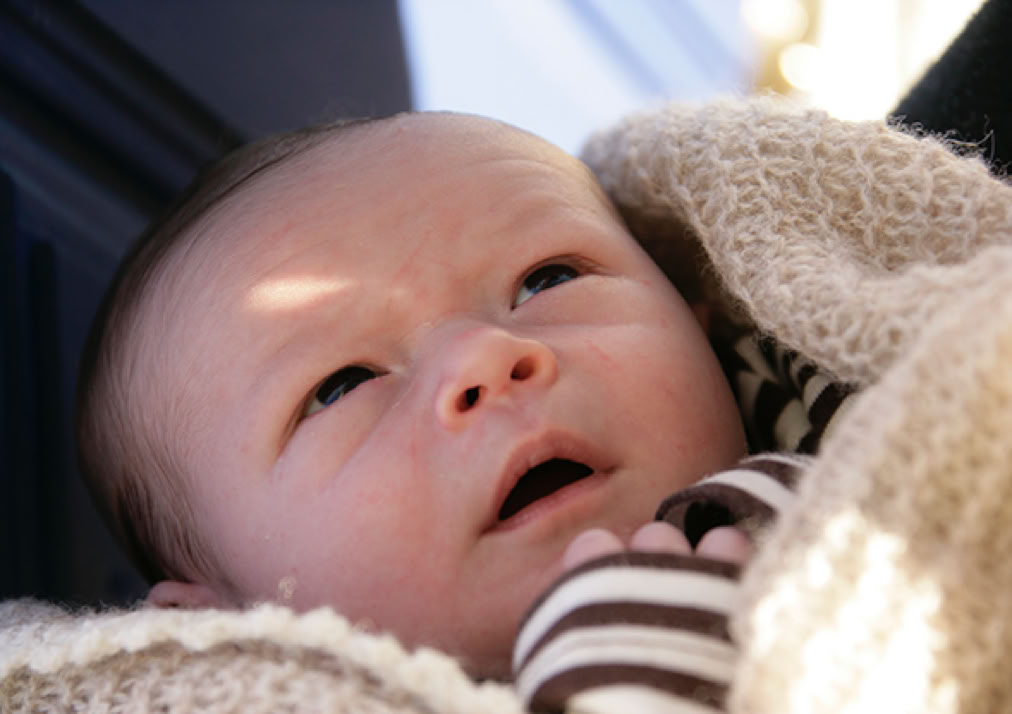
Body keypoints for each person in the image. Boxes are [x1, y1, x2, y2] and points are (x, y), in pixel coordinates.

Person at [75, 110, 842, 707]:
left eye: (547, 279)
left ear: (697, 318)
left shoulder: (853, 450)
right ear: (224, 630)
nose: (482, 356)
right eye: (340, 386)